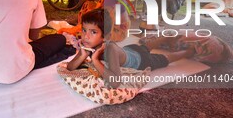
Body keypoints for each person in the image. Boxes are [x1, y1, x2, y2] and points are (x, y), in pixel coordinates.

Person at [66, 9, 195, 88]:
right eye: (84, 30)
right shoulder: (87, 45)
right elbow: (70, 68)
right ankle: (166, 38)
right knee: (145, 46)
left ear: (105, 36)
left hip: (141, 61)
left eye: (93, 32)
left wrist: (95, 60)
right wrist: (82, 55)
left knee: (163, 58)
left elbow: (115, 83)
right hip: (129, 50)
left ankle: (187, 52)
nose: (86, 36)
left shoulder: (110, 49)